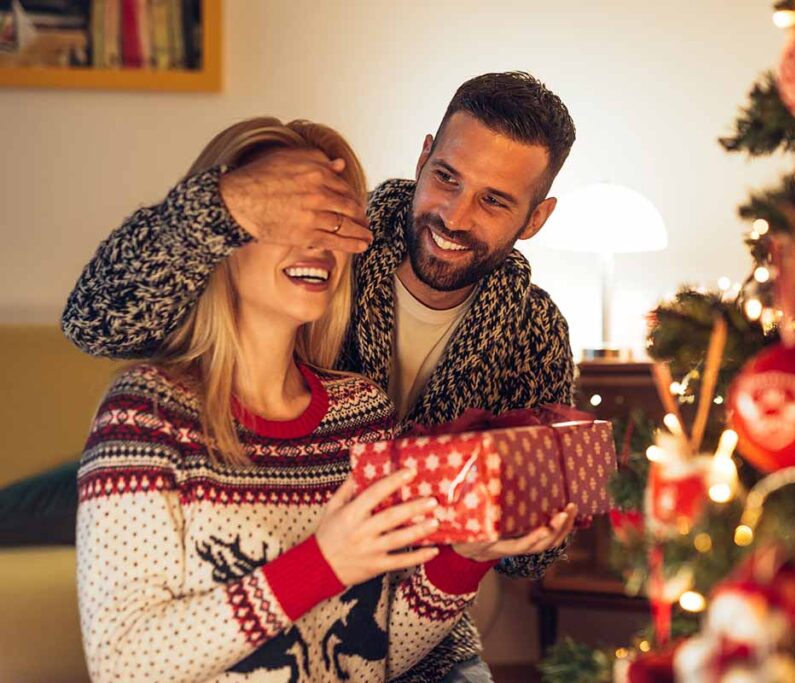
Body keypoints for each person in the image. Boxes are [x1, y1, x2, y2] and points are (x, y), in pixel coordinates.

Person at [64, 72, 579, 682]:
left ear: (536, 217)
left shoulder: (527, 331)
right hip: (213, 455)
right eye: (446, 177)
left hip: (402, 615)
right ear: (423, 157)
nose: (455, 213)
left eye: (494, 200)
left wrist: (496, 531)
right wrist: (224, 205)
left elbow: (386, 626)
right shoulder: (341, 243)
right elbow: (97, 321)